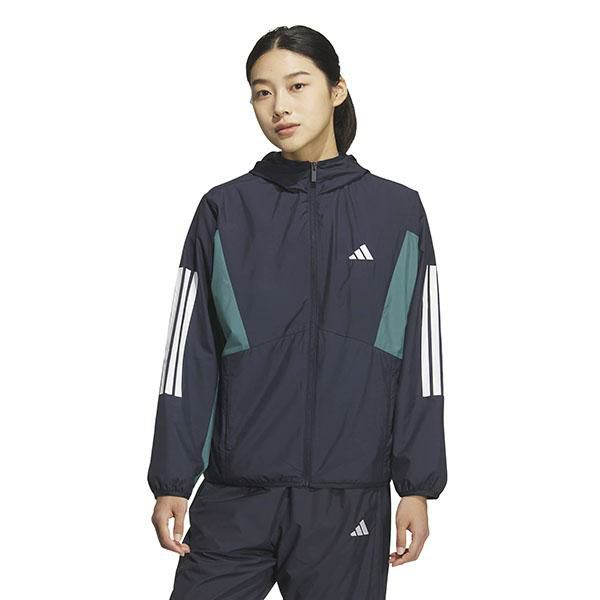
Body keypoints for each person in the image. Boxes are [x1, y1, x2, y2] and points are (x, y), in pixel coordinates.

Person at [147, 24, 447, 600]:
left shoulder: (397, 212)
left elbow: (419, 359)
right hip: (236, 496)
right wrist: (173, 479)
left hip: (348, 498)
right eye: (262, 92)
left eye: (297, 85)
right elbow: (190, 355)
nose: (279, 106)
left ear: (337, 90)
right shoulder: (225, 210)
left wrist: (416, 485)